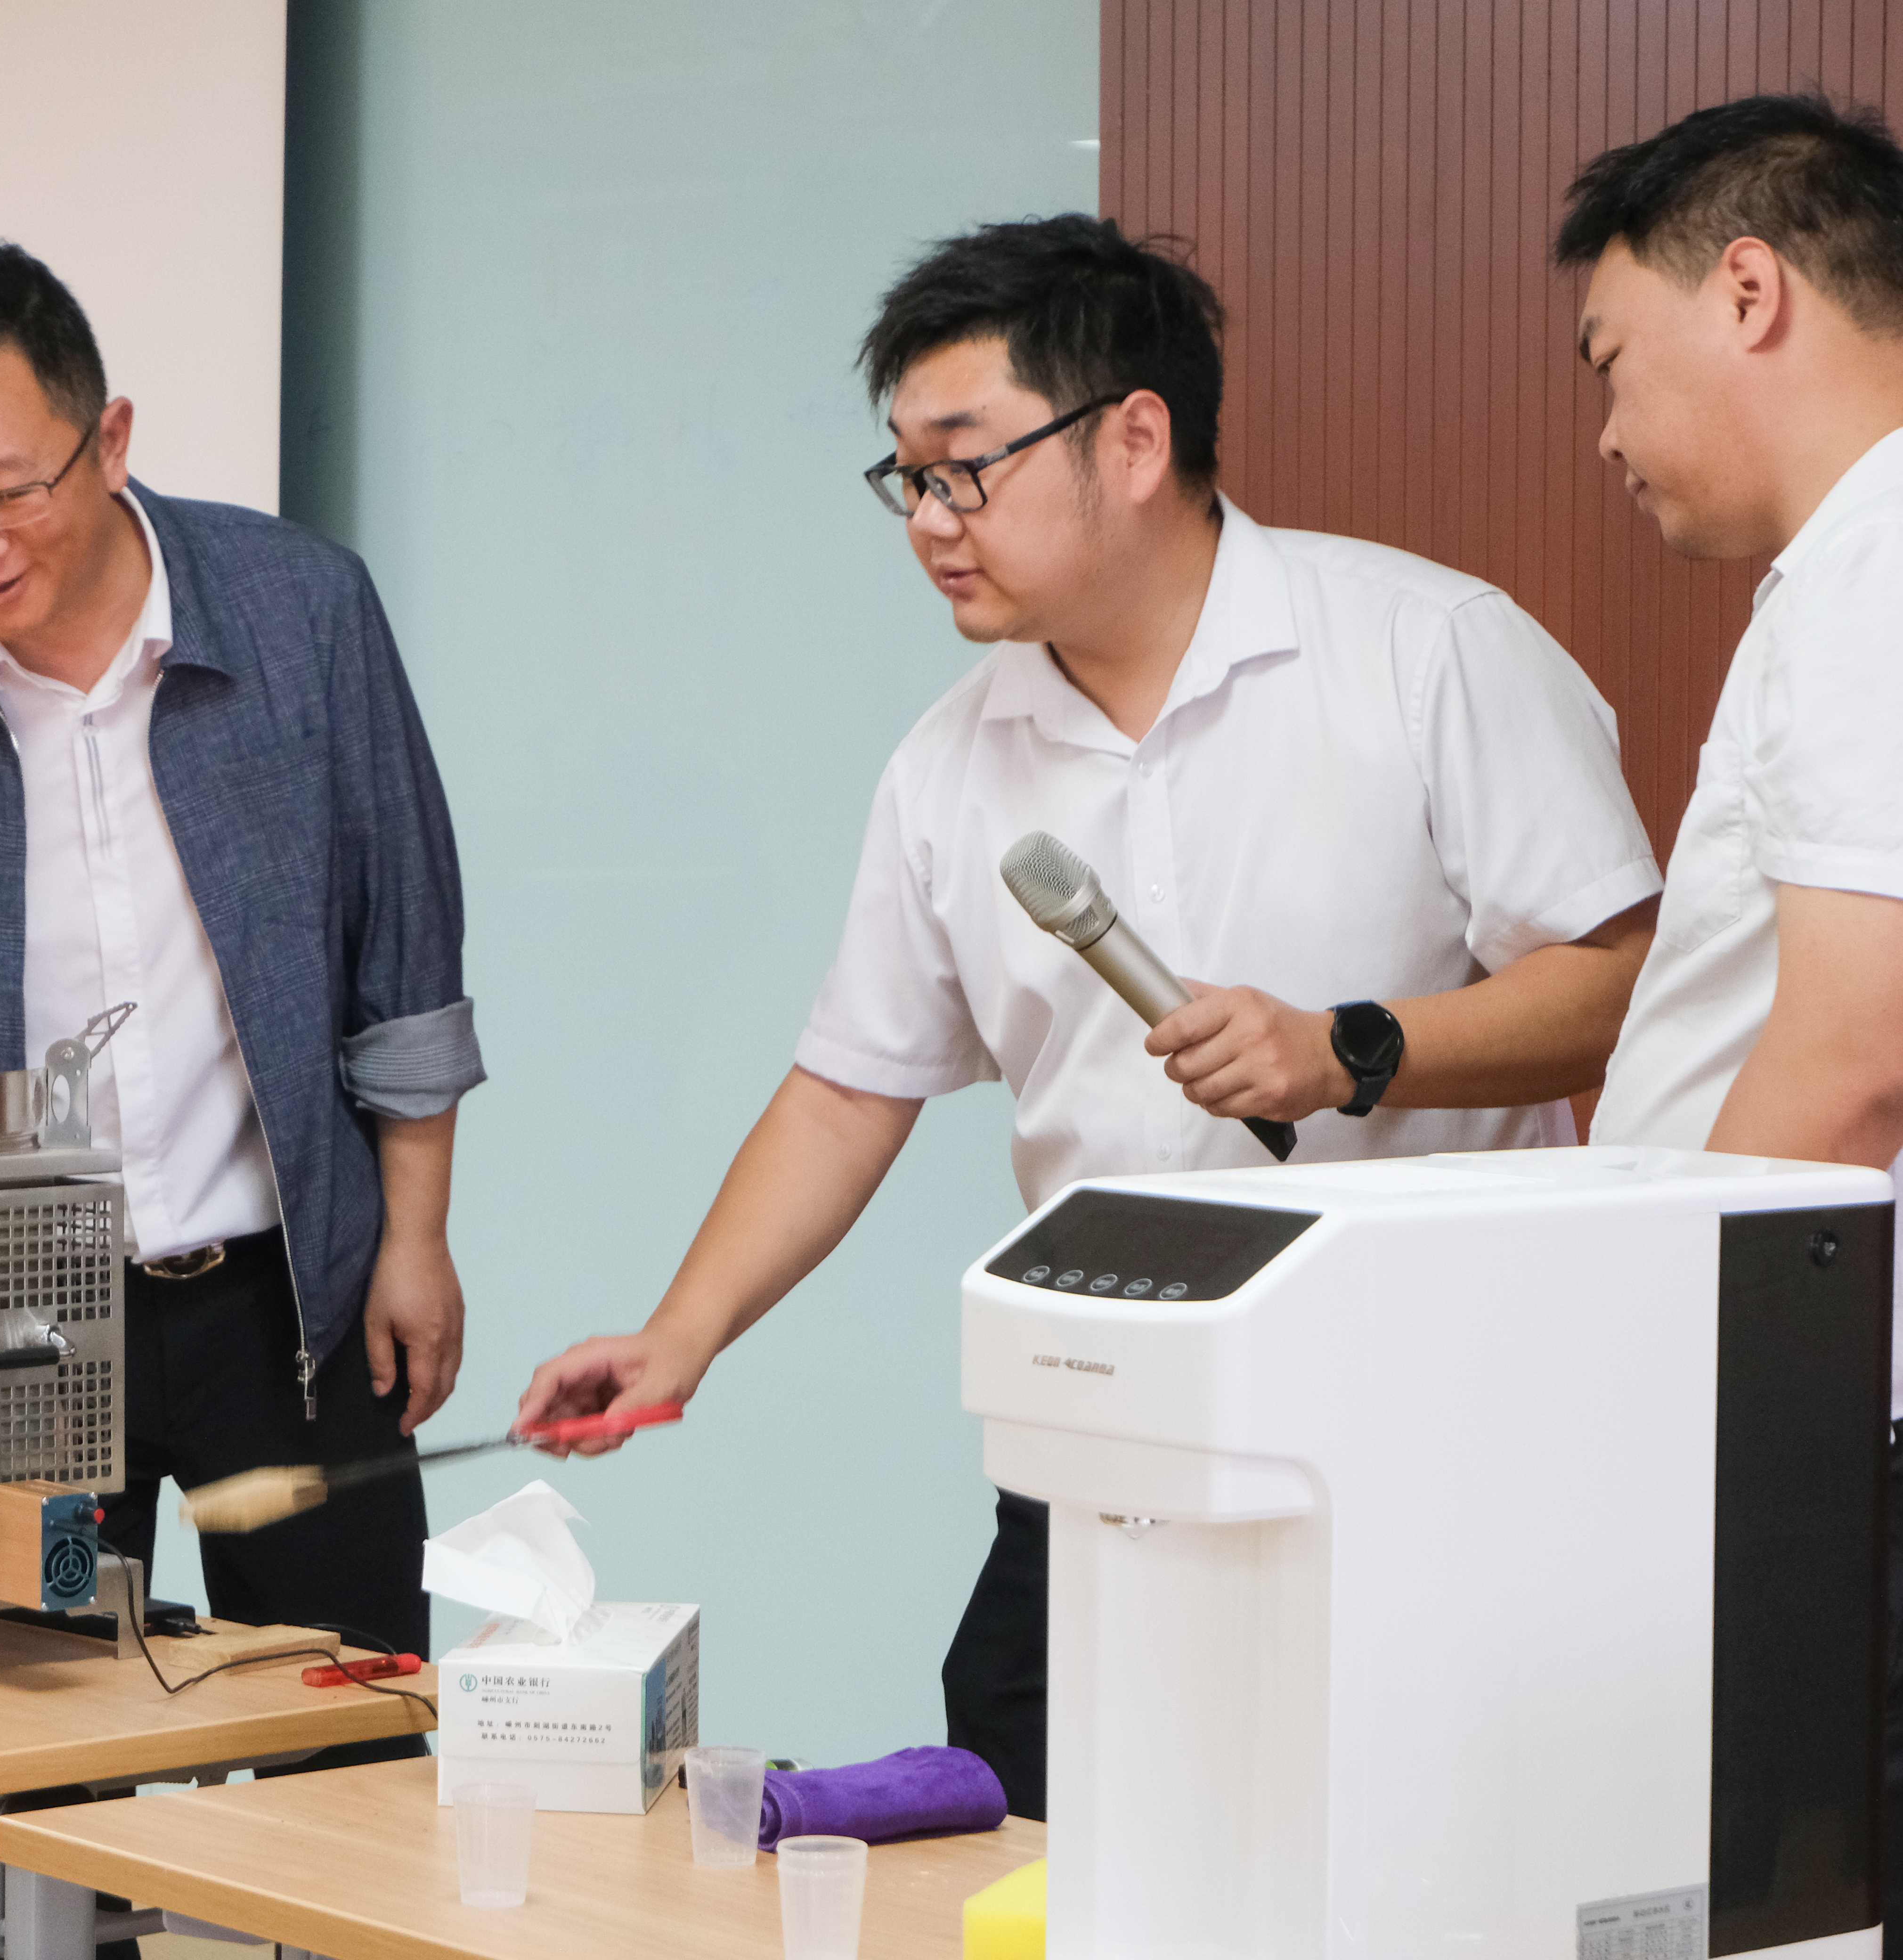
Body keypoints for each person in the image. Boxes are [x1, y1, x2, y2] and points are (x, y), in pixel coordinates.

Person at [517, 215, 1661, 1821]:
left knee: (1393, 1853)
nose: (930, 522)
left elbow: (1624, 984)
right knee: (1031, 1815)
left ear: (1134, 439)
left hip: (1419, 1423)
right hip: (1104, 1428)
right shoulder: (949, 762)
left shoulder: (1426, 652)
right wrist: (681, 1334)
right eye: (908, 477)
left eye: (967, 468)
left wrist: (1352, 1050)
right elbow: (850, 1090)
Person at [0, 237, 483, 1678]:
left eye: (7, 492)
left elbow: (405, 957)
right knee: (38, 1719)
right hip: (13, 1356)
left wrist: (415, 1236)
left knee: (339, 1710)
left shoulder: (302, 612)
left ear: (111, 439)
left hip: (289, 1313)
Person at [1555, 93, 1903, 1946]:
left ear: (1749, 290)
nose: (1609, 435)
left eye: (1611, 362)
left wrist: (1641, 1389)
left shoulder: (1880, 563)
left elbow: (1853, 1058)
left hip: (1822, 1423)